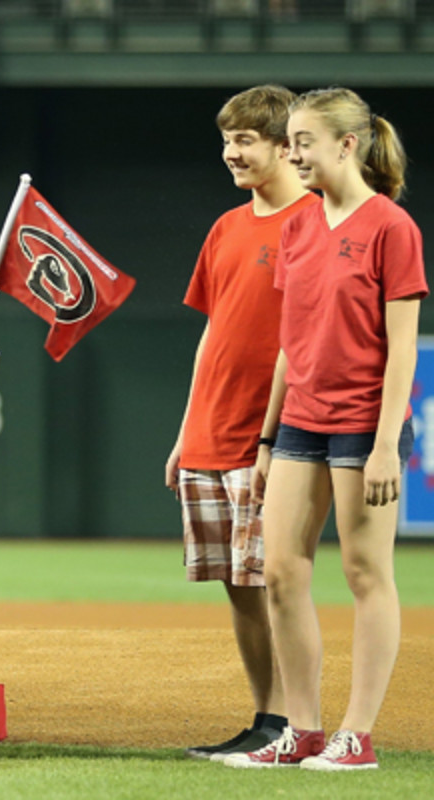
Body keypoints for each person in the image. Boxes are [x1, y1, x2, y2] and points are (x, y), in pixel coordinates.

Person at [225, 87, 426, 770]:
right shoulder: (299, 227)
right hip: (300, 425)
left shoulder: (392, 227)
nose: (294, 153)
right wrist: (265, 439)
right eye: (291, 142)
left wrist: (384, 446)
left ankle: (356, 735)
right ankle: (303, 731)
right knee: (280, 571)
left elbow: (404, 347)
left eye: (304, 142)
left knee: (367, 574)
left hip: (363, 426)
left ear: (348, 144)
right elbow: (290, 342)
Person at [165, 85, 318, 762]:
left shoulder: (317, 220)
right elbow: (212, 333)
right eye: (227, 140)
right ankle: (268, 717)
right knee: (237, 584)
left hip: (276, 434)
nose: (231, 152)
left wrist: (274, 435)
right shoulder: (226, 227)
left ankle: (298, 722)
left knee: (276, 578)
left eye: (245, 140)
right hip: (212, 430)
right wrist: (184, 430)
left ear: (288, 146)